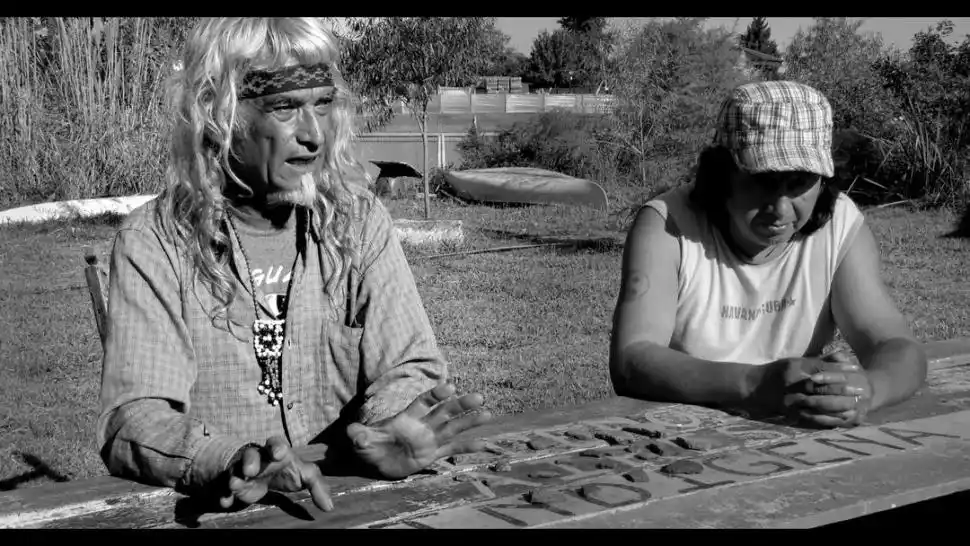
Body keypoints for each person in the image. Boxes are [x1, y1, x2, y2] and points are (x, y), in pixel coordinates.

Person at [97, 17, 492, 513]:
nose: (314, 135)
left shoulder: (358, 223)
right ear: (220, 114)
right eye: (285, 107)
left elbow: (408, 365)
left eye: (323, 104)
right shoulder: (156, 243)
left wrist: (390, 425)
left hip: (350, 502)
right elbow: (135, 417)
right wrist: (230, 459)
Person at [610, 81, 927, 428]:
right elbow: (632, 359)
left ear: (823, 179)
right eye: (762, 181)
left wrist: (869, 390)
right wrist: (755, 384)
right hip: (679, 433)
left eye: (798, 183)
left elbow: (896, 344)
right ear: (721, 173)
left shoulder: (840, 228)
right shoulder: (668, 226)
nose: (780, 208)